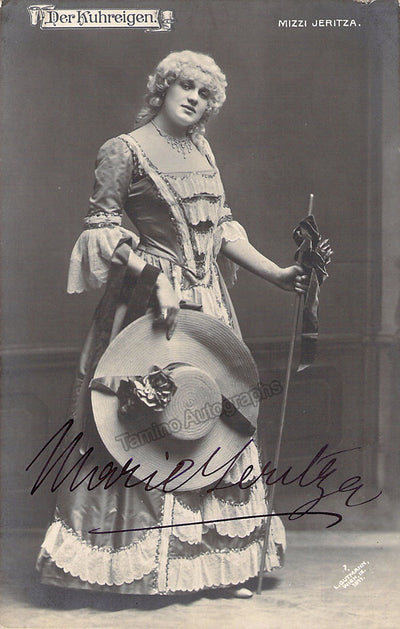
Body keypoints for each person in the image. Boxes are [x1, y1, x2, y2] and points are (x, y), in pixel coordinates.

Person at [36, 50, 308, 598]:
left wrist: (277, 274)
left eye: (205, 94)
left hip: (210, 308)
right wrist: (154, 276)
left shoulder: (201, 149)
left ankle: (219, 566)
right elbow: (102, 232)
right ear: (162, 88)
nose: (194, 99)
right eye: (185, 86)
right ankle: (145, 572)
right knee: (154, 421)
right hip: (152, 308)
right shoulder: (124, 149)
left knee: (211, 418)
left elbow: (221, 228)